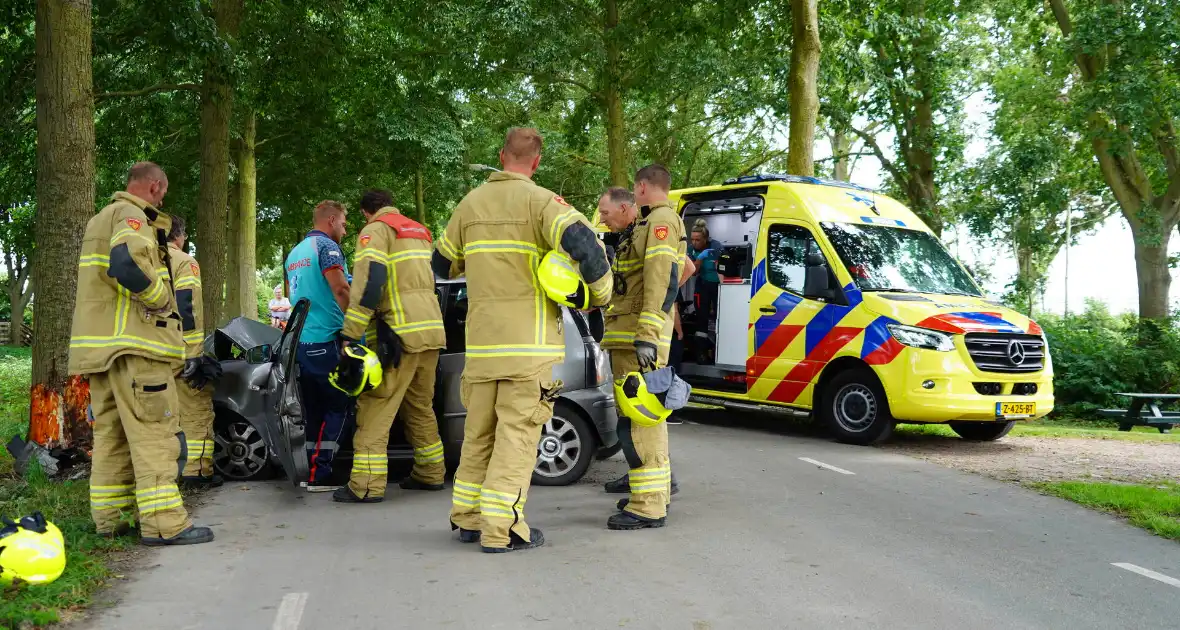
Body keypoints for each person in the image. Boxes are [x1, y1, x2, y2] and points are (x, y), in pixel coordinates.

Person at [434, 127, 611, 552]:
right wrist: (598, 295)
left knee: (479, 435)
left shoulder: (469, 205)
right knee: (516, 438)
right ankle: (502, 530)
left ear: (500, 155)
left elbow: (440, 263)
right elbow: (586, 246)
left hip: (480, 350)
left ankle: (469, 518)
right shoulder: (542, 202)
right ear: (536, 162)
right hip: (526, 349)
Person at [71, 162, 213, 546]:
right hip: (138, 348)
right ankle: (165, 524)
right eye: (163, 192)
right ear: (153, 186)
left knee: (112, 438)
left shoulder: (100, 219)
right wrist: (161, 300)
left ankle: (111, 520)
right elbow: (126, 264)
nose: (163, 198)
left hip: (102, 353)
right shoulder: (133, 215)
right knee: (155, 435)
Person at [332, 189, 448, 503]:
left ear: (366, 212)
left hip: (398, 335)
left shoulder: (376, 231)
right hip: (431, 333)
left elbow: (371, 282)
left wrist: (350, 332)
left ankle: (366, 486)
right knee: (420, 407)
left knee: (375, 409)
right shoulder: (419, 231)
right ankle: (430, 472)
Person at [598, 165, 686, 530]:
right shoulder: (648, 223)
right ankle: (653, 493)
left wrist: (648, 334)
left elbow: (661, 278)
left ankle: (647, 505)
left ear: (643, 187)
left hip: (638, 339)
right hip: (631, 335)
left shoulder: (661, 222)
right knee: (645, 418)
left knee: (641, 421)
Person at [284, 200, 353, 492]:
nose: (345, 230)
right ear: (332, 220)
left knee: (314, 409)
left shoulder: (294, 254)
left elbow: (292, 298)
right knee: (339, 405)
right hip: (326, 340)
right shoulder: (327, 248)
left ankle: (310, 469)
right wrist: (355, 324)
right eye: (344, 223)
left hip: (302, 341)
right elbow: (340, 288)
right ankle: (321, 472)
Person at [166, 216, 222, 487]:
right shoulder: (183, 261)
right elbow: (186, 307)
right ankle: (197, 471)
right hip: (178, 349)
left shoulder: (143, 259)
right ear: (180, 236)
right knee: (197, 405)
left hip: (149, 351)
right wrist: (195, 353)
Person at [689, 219, 722, 355]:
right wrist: (700, 259)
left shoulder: (716, 246)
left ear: (706, 239)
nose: (695, 243)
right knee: (701, 318)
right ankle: (701, 353)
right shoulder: (691, 250)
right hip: (702, 285)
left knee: (719, 316)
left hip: (717, 286)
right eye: (693, 240)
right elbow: (693, 272)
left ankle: (717, 351)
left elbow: (723, 269)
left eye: (698, 240)